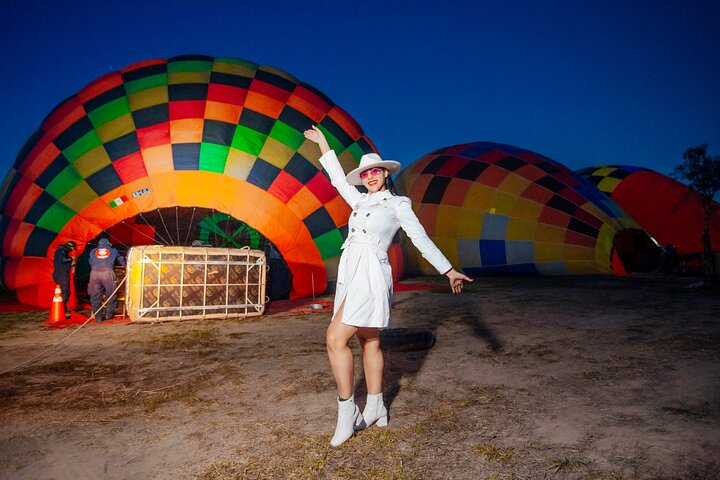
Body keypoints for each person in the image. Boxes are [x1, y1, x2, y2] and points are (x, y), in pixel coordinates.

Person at [304, 125, 473, 447]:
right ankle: (378, 406)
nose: (369, 176)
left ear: (384, 173)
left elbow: (419, 238)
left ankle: (347, 410)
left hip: (372, 273)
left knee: (334, 338)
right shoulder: (358, 201)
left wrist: (448, 269)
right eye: (365, 173)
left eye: (375, 171)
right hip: (350, 271)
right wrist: (323, 143)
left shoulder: (398, 205)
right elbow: (338, 179)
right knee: (369, 341)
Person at [88, 238, 125, 322]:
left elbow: (90, 262)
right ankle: (109, 314)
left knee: (95, 295)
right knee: (111, 294)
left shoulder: (92, 251)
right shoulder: (113, 251)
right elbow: (121, 260)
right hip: (108, 273)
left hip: (94, 274)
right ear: (108, 244)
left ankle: (98, 317)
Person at [52, 241, 77, 320]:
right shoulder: (61, 251)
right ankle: (61, 309)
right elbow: (63, 260)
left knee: (65, 292)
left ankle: (62, 308)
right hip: (61, 274)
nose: (72, 250)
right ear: (69, 246)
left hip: (61, 273)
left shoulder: (61, 251)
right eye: (72, 248)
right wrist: (70, 259)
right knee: (65, 291)